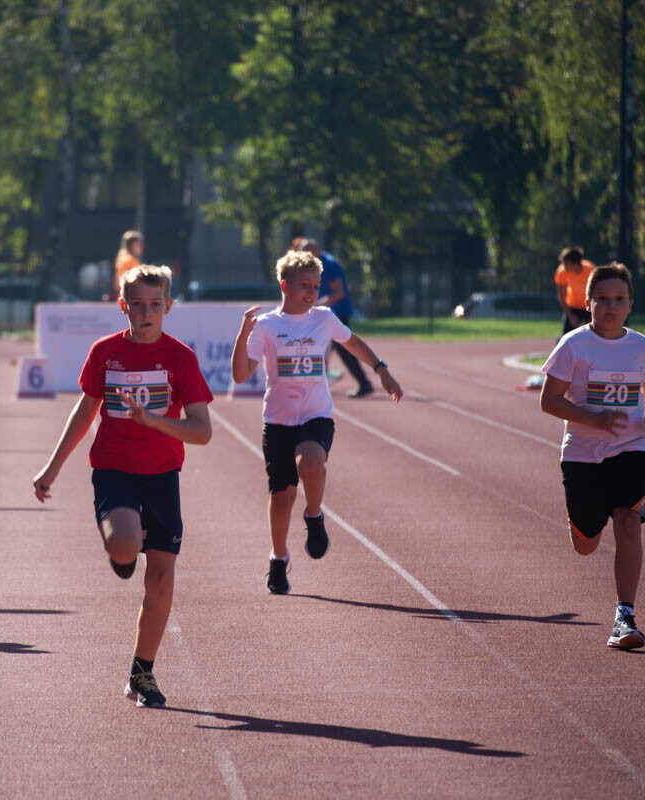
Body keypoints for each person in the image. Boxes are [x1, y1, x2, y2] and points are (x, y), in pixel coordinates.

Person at [32, 264, 213, 708]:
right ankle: (122, 554)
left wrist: (155, 420)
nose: (146, 313)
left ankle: (142, 672)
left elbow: (202, 430)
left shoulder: (180, 358)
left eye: (155, 305)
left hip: (163, 476)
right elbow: (84, 411)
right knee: (126, 545)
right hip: (114, 469)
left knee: (162, 583)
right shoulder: (104, 353)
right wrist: (52, 468)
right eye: (137, 305)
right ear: (123, 307)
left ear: (168, 307)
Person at [231, 249, 403, 594]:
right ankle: (278, 559)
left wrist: (380, 369)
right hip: (278, 420)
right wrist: (242, 334)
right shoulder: (266, 326)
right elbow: (239, 375)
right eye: (304, 286)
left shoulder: (324, 319)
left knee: (311, 459)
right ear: (285, 285)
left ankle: (314, 516)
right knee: (281, 497)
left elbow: (352, 343)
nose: (311, 292)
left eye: (315, 286)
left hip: (316, 414)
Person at [539, 262, 645, 650]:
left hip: (631, 447)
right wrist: (593, 417)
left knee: (628, 522)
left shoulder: (643, 347)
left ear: (630, 304)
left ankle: (624, 617)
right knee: (586, 542)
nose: (611, 307)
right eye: (603, 300)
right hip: (581, 454)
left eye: (619, 299)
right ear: (588, 302)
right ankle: (582, 523)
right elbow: (549, 401)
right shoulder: (573, 345)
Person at [297, 239, 375, 397]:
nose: (304, 256)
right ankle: (319, 385)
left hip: (337, 313)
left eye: (307, 252)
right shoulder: (310, 265)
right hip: (325, 315)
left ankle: (363, 383)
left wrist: (318, 304)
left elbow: (339, 293)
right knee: (320, 348)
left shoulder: (330, 265)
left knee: (340, 349)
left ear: (316, 250)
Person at [554, 246, 595, 335]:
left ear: (575, 263)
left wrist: (593, 313)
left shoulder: (590, 270)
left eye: (566, 264)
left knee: (595, 334)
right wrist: (570, 316)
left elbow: (596, 293)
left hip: (589, 306)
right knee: (566, 336)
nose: (563, 266)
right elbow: (562, 295)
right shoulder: (562, 272)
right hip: (573, 307)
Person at [111, 230, 144, 301]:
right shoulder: (130, 260)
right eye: (138, 244)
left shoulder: (123, 257)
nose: (141, 247)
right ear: (131, 245)